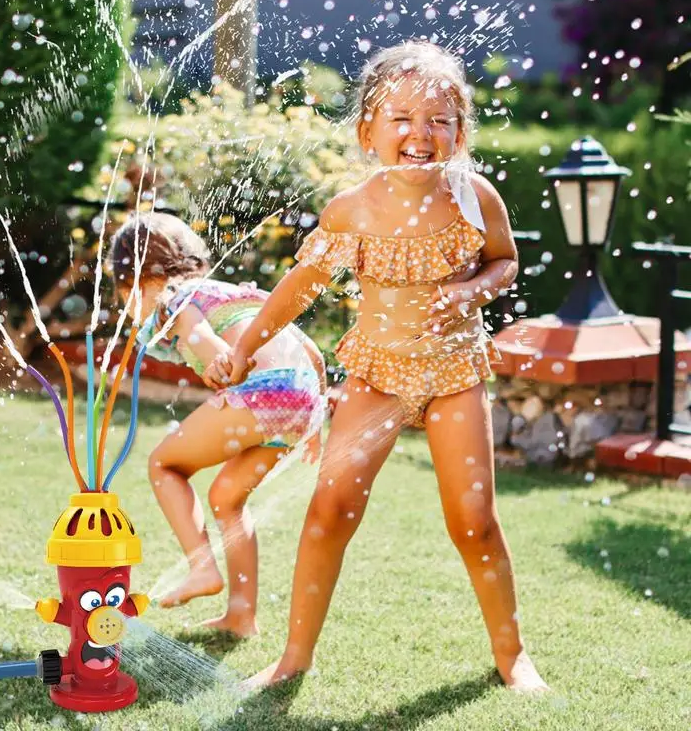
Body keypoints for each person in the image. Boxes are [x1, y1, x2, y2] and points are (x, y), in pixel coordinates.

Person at [205, 41, 549, 691]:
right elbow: (299, 289)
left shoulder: (476, 198)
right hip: (377, 377)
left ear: (460, 131)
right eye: (402, 119)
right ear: (369, 131)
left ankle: (512, 656)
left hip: (454, 376)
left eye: (438, 121)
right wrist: (246, 345)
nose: (420, 135)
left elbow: (506, 262)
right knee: (329, 509)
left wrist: (476, 289)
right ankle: (292, 658)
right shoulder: (352, 211)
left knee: (474, 522)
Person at [109, 212, 327, 638]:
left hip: (261, 389)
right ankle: (242, 617)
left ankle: (203, 569)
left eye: (124, 299)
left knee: (164, 465)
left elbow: (196, 330)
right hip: (301, 398)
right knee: (227, 499)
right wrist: (316, 423)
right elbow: (312, 351)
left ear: (133, 283)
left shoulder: (175, 298)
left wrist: (213, 356)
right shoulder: (233, 292)